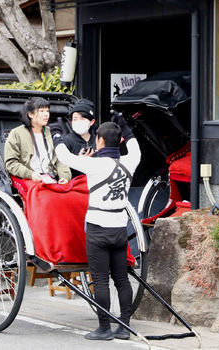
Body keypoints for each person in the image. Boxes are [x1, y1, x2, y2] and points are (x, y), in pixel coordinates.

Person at [53, 113, 141, 341]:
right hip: (120, 229)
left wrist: (57, 135)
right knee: (121, 279)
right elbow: (135, 147)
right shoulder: (130, 161)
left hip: (98, 229)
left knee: (100, 279)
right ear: (118, 141)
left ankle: (104, 328)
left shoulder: (93, 164)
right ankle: (124, 326)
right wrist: (125, 128)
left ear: (100, 142)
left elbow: (64, 156)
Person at [3, 96, 70, 185]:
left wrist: (64, 177)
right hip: (28, 179)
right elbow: (11, 163)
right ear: (30, 114)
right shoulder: (16, 133)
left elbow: (60, 159)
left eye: (47, 111)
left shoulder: (51, 132)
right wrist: (30, 174)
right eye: (42, 111)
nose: (46, 114)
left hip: (52, 178)